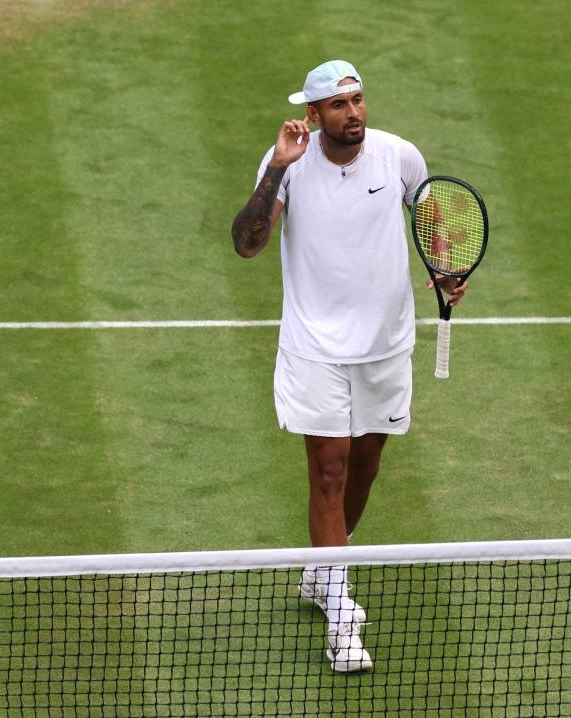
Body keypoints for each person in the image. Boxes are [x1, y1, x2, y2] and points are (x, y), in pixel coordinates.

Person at [230, 60, 467, 673]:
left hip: (387, 343)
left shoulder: (397, 156)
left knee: (366, 466)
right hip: (315, 347)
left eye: (358, 100)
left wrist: (442, 269)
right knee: (329, 471)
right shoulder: (285, 163)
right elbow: (248, 243)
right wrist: (279, 166)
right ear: (313, 115)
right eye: (338, 106)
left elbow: (429, 214)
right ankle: (340, 618)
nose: (354, 113)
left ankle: (320, 574)